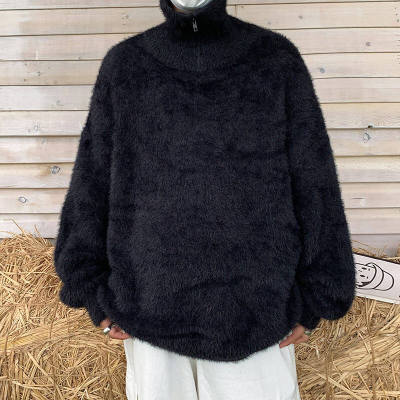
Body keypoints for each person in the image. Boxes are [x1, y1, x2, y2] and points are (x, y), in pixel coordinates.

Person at [53, 0, 357, 398]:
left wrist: (317, 297)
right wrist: (92, 290)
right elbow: (92, 181)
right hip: (148, 302)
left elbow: (314, 180)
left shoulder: (274, 59)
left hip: (258, 307)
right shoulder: (126, 65)